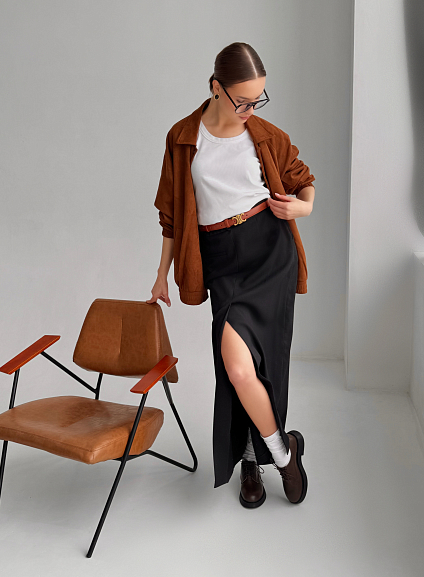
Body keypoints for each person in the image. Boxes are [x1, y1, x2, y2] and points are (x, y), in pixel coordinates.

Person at [147, 42, 315, 508]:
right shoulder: (183, 138)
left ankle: (258, 459)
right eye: (243, 101)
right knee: (237, 369)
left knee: (259, 367)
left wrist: (299, 208)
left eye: (259, 99)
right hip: (221, 258)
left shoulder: (265, 135)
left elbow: (304, 182)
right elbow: (171, 216)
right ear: (215, 88)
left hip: (269, 250)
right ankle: (285, 452)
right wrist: (161, 275)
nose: (250, 110)